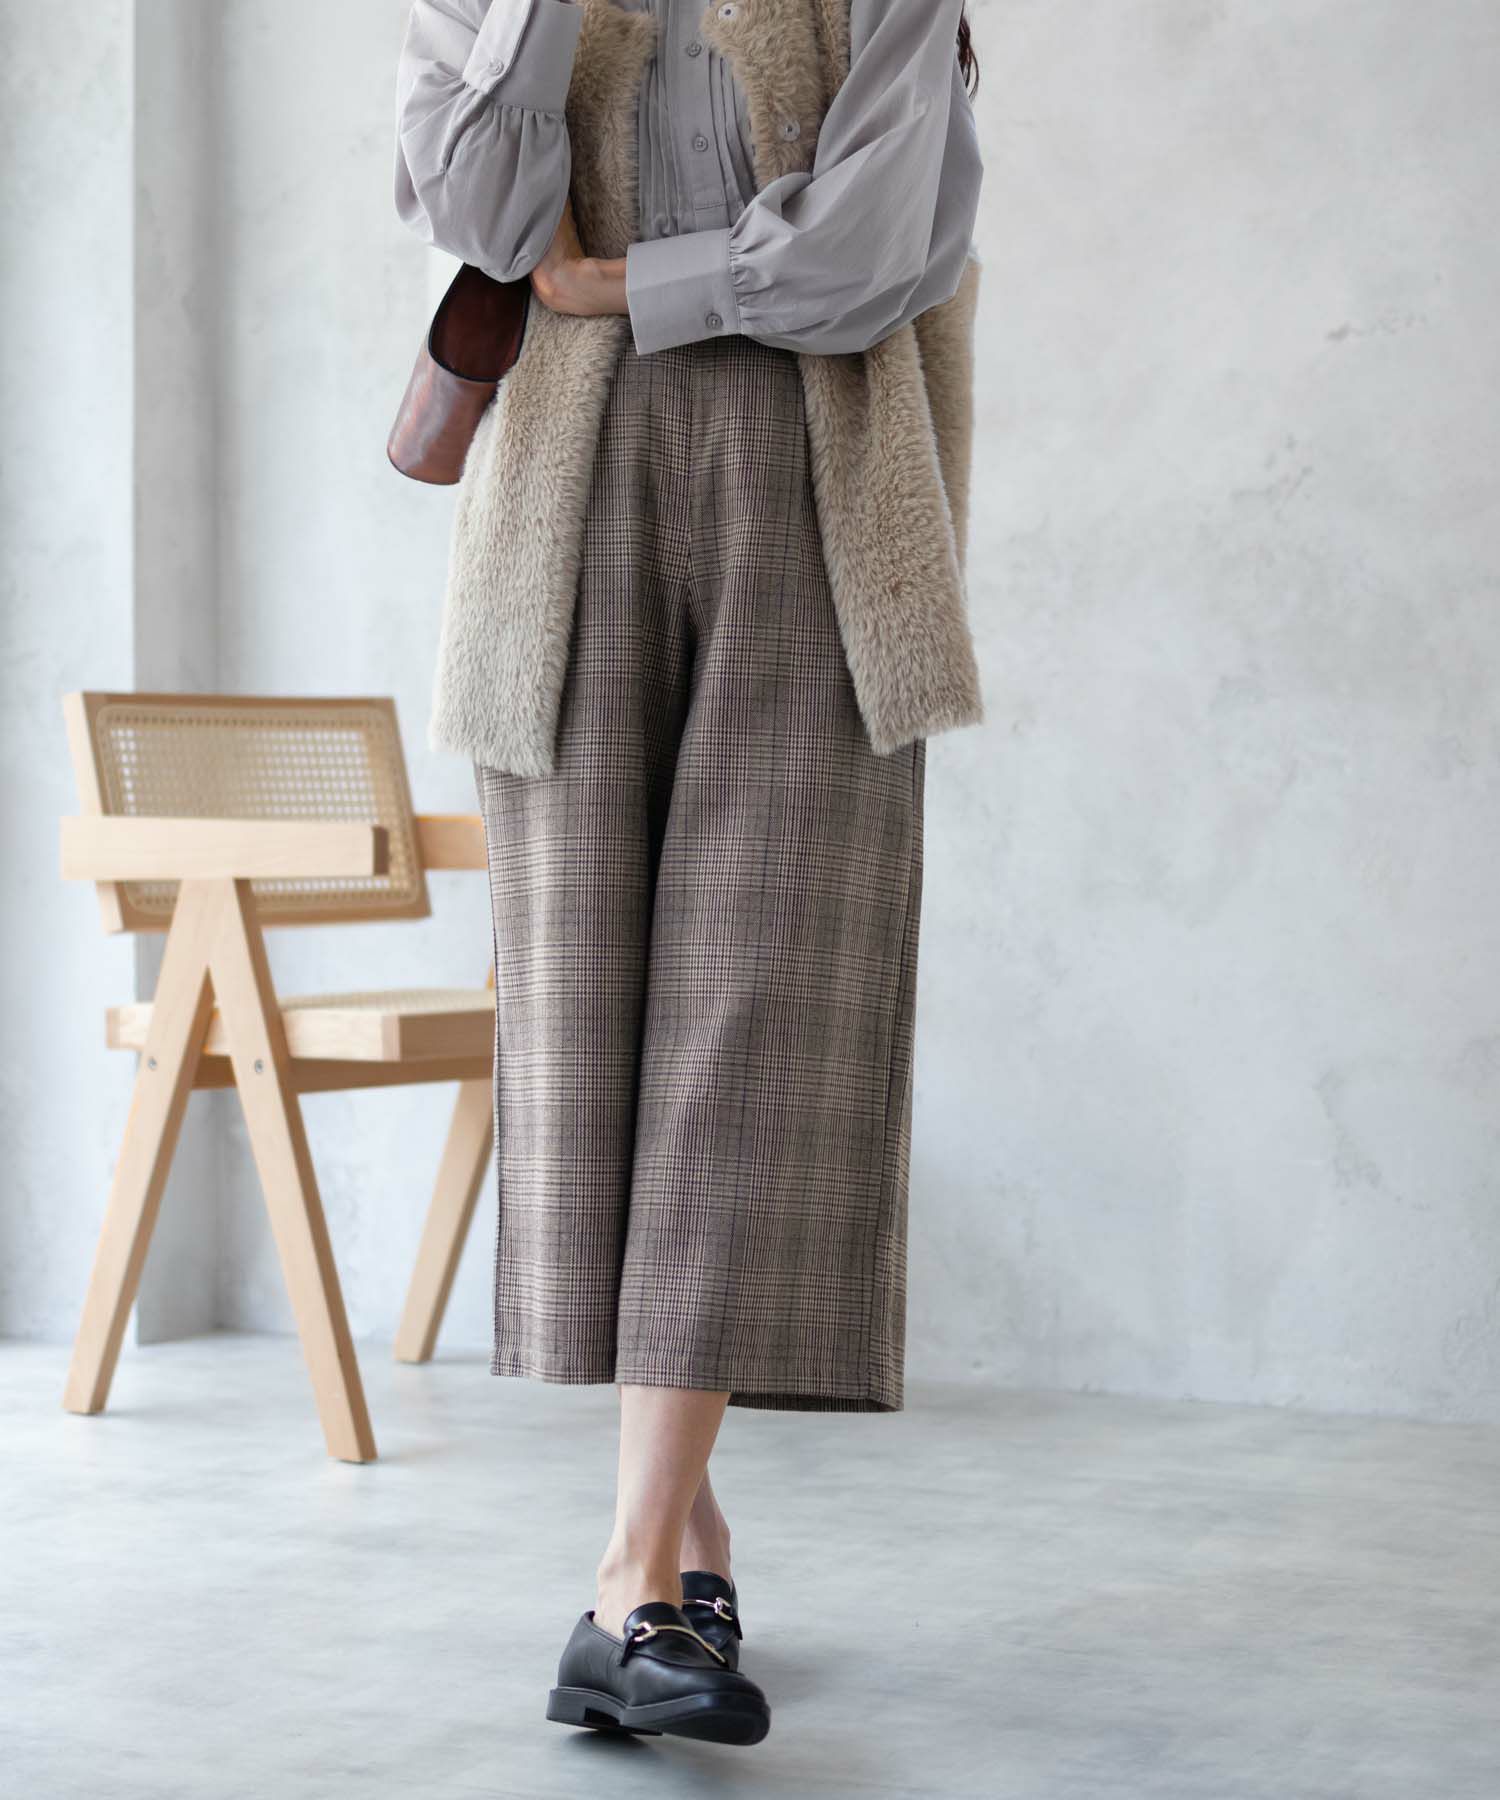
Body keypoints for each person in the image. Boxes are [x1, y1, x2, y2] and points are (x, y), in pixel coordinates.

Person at [394, 0, 984, 1747]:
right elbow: (473, 210)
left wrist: (625, 285)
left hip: (820, 501)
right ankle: (681, 1551)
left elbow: (869, 257)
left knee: (753, 1029)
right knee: (591, 1043)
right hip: (560, 517)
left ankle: (628, 1589)